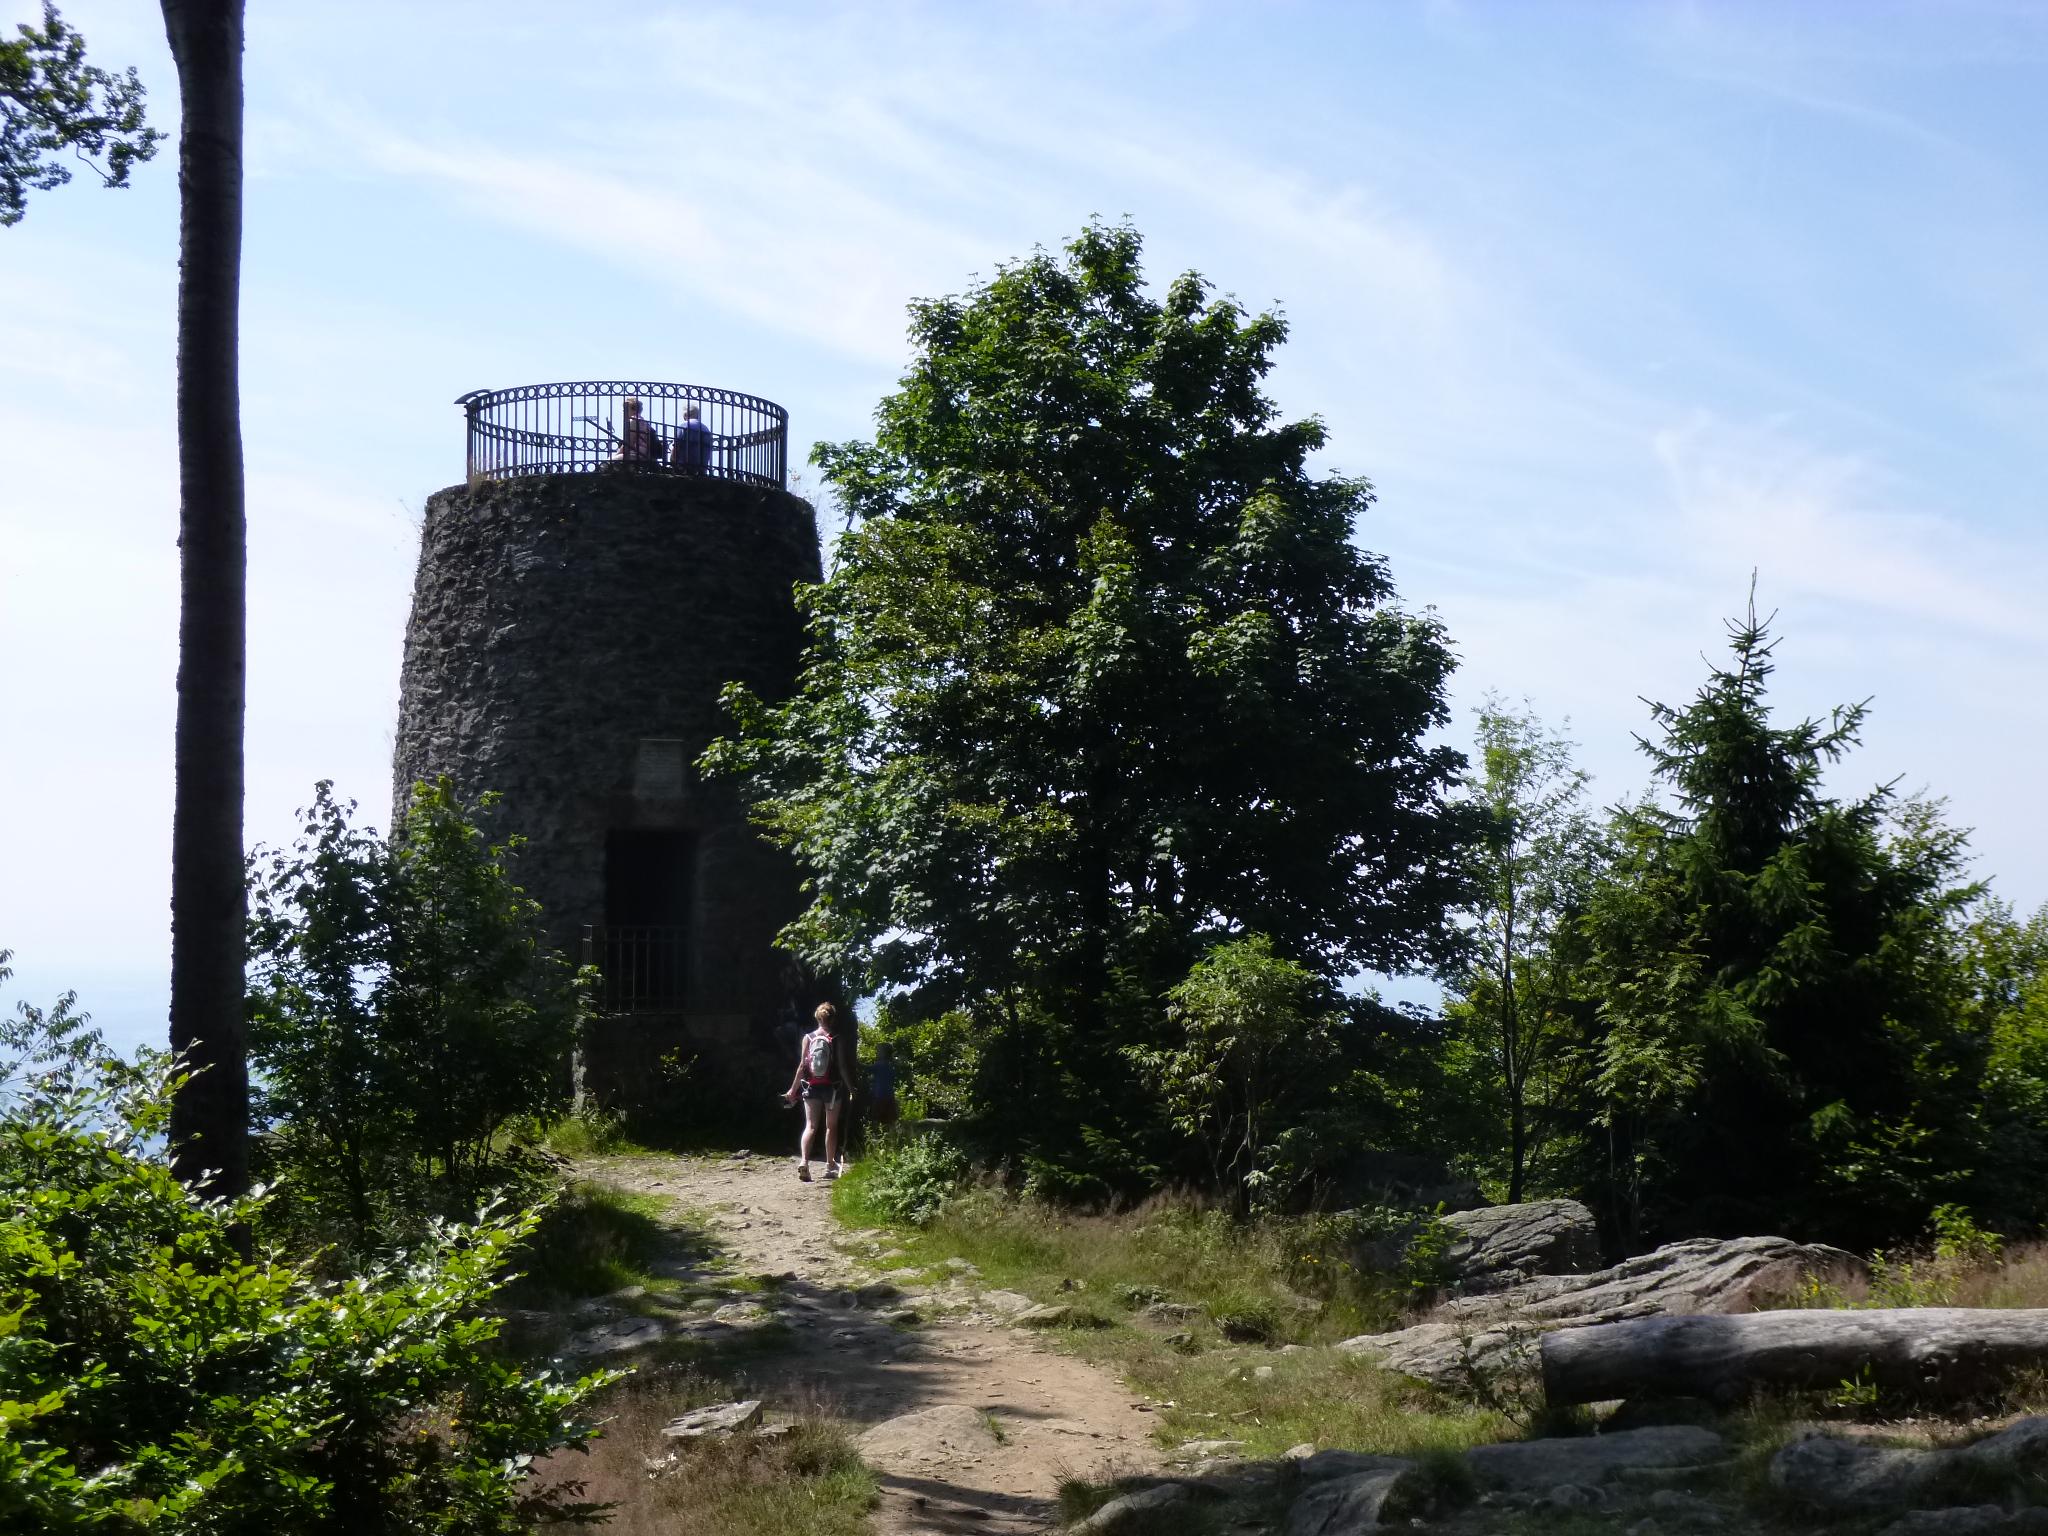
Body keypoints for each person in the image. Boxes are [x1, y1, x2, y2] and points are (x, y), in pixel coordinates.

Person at [783, 1002, 853, 1181]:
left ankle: (804, 1162)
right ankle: (830, 1164)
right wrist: (851, 1087)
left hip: (811, 1086)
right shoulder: (836, 1037)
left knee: (810, 1126)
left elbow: (802, 1066)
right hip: (833, 1087)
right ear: (833, 1018)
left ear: (817, 1018)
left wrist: (792, 1090)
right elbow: (842, 1066)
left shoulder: (808, 1037)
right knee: (831, 1126)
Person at [619, 396, 662, 464]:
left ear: (634, 409)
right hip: (644, 454)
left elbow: (628, 443)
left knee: (607, 463)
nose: (623, 411)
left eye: (625, 408)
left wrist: (617, 454)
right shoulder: (643, 422)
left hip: (636, 454)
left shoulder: (634, 421)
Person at [671, 403, 713, 472]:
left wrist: (672, 461)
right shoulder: (706, 429)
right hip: (701, 469)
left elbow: (676, 446)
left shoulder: (684, 426)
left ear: (685, 415)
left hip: (684, 468)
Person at [869, 1039, 900, 1128]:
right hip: (890, 1096)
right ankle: (891, 1138)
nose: (876, 1053)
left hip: (879, 1096)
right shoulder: (891, 1065)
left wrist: (856, 1062)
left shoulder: (879, 1065)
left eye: (878, 1051)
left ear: (883, 1053)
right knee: (890, 1120)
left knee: (876, 1119)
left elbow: (866, 1069)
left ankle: (876, 1137)